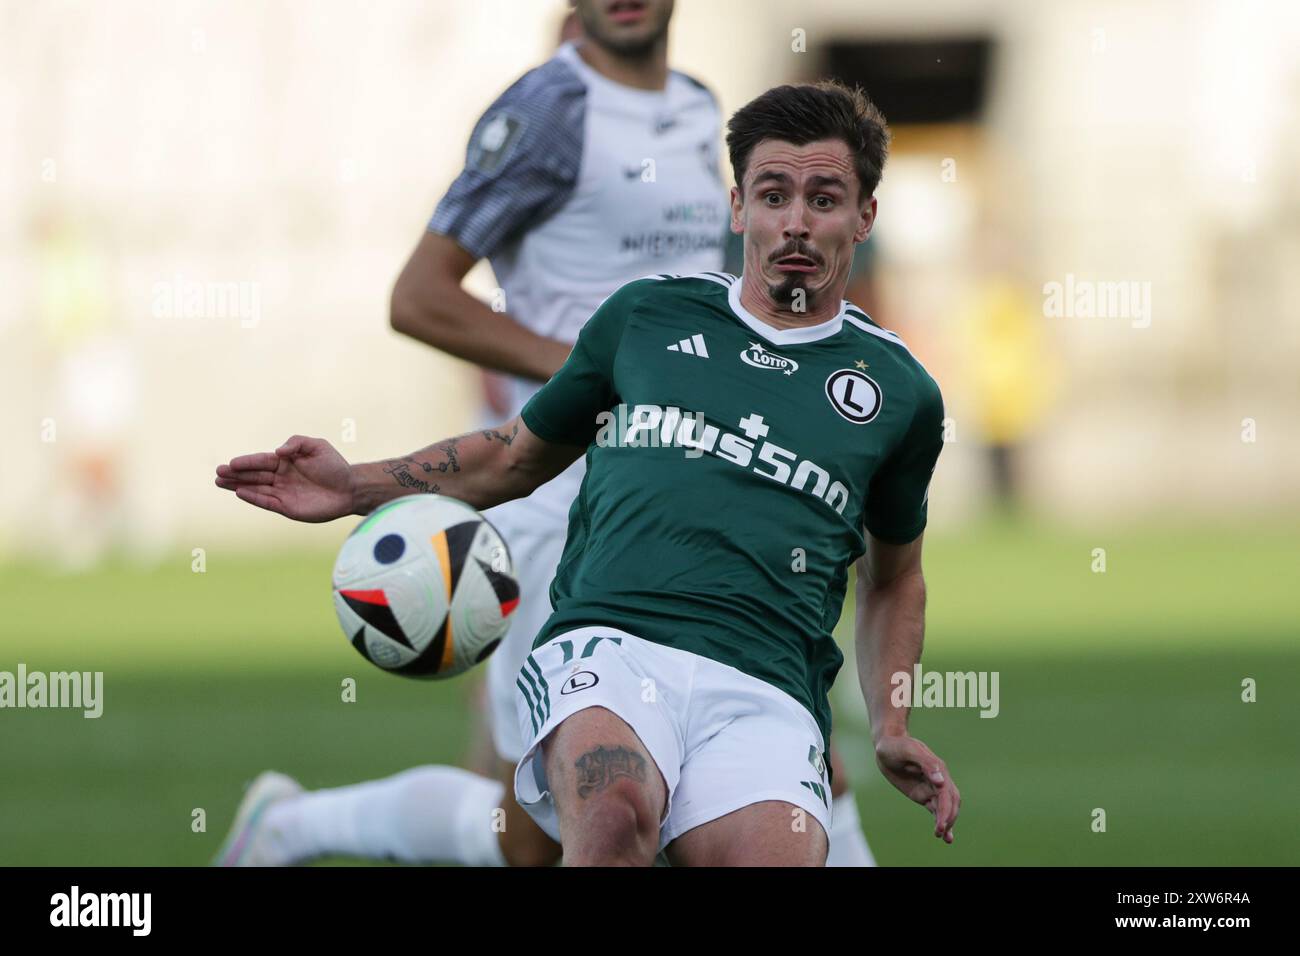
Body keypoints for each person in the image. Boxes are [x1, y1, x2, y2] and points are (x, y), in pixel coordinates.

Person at [215, 79, 959, 866]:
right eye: (773, 195)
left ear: (864, 217)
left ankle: (297, 828)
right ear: (737, 208)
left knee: (543, 845)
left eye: (825, 198)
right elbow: (512, 454)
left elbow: (895, 576)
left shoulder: (899, 392)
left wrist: (891, 722)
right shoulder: (646, 318)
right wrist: (353, 487)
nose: (797, 223)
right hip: (614, 648)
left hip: (769, 685)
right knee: (610, 817)